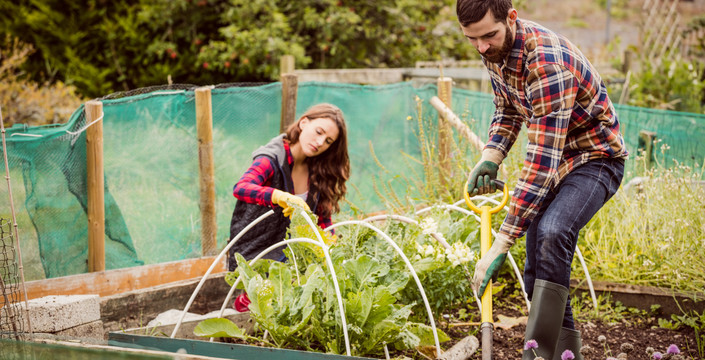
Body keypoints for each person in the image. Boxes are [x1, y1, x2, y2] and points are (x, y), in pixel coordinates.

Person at [456, 1, 628, 359]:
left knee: (553, 232)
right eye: (471, 38)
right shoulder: (493, 50)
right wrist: (492, 155)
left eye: (489, 35)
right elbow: (507, 109)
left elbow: (542, 162)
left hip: (595, 159)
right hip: (557, 161)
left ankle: (544, 355)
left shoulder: (548, 65)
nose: (481, 47)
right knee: (536, 260)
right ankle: (562, 353)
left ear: (512, 18)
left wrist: (500, 243)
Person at [227, 103, 350, 311]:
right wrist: (277, 195)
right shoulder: (272, 157)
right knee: (274, 302)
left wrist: (332, 248)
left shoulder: (318, 169)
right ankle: (244, 302)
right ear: (303, 123)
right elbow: (241, 187)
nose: (320, 142)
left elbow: (323, 220)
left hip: (293, 255)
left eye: (328, 141)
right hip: (256, 253)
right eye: (318, 132)